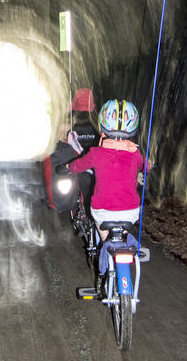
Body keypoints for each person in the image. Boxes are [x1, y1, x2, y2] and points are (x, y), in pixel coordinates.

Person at [63, 98, 148, 283]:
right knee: (121, 236)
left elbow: (77, 165)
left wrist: (67, 167)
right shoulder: (135, 153)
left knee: (105, 240)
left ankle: (103, 270)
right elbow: (146, 166)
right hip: (131, 212)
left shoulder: (95, 153)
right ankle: (128, 244)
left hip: (103, 212)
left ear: (103, 123)